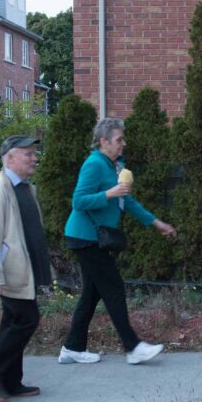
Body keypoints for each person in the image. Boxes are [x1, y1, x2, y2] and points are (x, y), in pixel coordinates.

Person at [59, 118, 177, 365]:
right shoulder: (94, 164)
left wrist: (156, 223)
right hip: (85, 236)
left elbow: (128, 202)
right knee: (113, 288)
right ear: (104, 142)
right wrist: (108, 194)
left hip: (92, 238)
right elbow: (78, 202)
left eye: (123, 139)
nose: (123, 144)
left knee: (91, 294)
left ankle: (72, 347)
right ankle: (133, 347)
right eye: (119, 140)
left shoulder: (114, 166)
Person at [0, 136, 51, 402]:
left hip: (24, 268)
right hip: (9, 271)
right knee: (26, 319)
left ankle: (10, 380)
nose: (34, 158)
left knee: (12, 322)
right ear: (10, 158)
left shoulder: (24, 188)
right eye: (28, 154)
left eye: (34, 153)